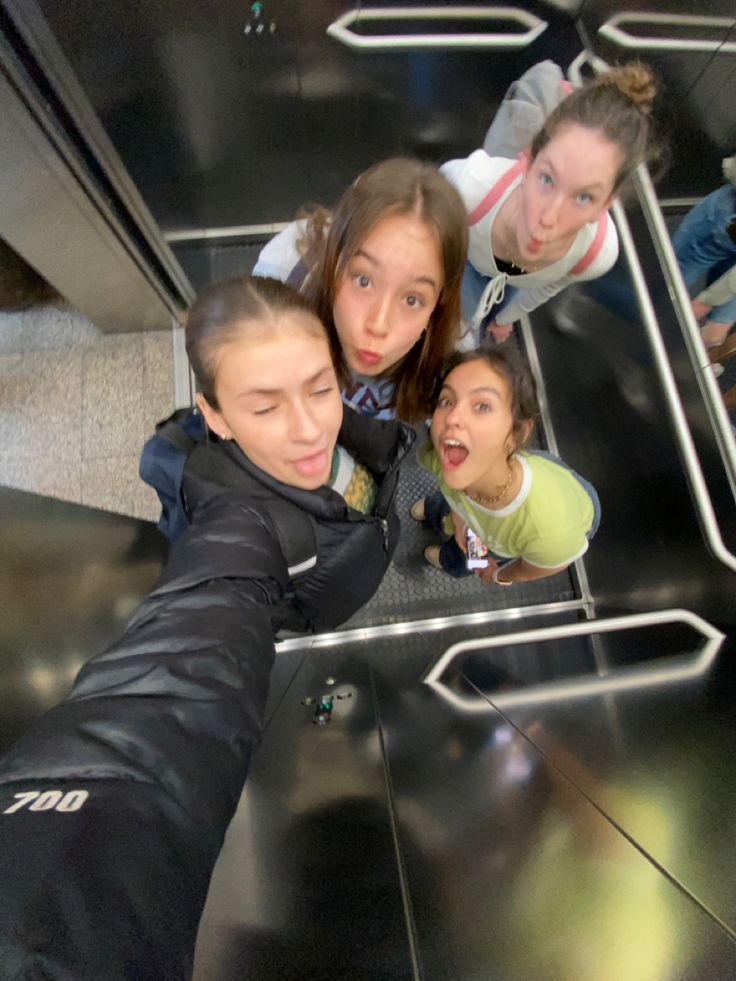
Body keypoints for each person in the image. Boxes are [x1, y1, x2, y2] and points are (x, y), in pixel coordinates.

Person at [0, 276, 414, 977]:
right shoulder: (245, 528)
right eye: (264, 405)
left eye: (320, 387)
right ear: (215, 417)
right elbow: (174, 673)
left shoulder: (345, 445)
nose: (311, 427)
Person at [441, 62, 659, 344]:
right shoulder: (467, 187)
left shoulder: (594, 255)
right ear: (528, 161)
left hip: (503, 282)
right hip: (462, 256)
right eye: (547, 179)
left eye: (583, 197)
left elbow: (547, 286)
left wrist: (505, 318)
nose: (548, 218)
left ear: (604, 206)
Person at [253, 157, 468, 422]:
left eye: (412, 299)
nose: (378, 325)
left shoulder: (450, 359)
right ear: (335, 259)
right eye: (363, 280)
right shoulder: (285, 276)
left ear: (438, 304)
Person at [410, 347, 600, 586]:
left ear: (516, 433)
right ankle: (438, 514)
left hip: (560, 511)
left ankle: (449, 560)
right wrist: (460, 521)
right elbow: (456, 496)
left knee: (469, 560)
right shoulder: (440, 457)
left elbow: (541, 566)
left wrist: (498, 575)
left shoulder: (549, 530)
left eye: (482, 406)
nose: (452, 418)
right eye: (446, 400)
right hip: (478, 508)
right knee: (451, 509)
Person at [672, 155, 736, 352]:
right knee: (666, 285)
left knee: (714, 334)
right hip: (724, 221)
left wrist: (706, 301)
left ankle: (675, 361)